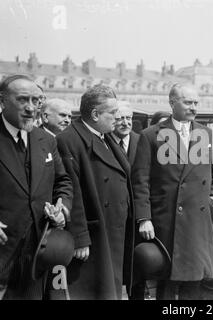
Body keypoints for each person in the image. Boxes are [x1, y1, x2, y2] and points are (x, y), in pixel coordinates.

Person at [131, 83, 213, 300]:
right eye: (188, 102)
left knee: (194, 284)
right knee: (166, 282)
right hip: (166, 220)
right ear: (172, 102)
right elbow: (140, 181)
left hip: (197, 220)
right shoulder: (150, 136)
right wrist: (144, 218)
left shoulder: (208, 135)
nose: (193, 107)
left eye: (196, 103)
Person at [56, 84, 136, 299]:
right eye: (112, 113)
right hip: (95, 231)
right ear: (94, 114)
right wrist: (80, 236)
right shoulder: (69, 140)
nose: (117, 118)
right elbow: (71, 188)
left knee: (110, 288)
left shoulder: (105, 135)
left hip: (113, 227)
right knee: (93, 291)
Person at [0, 74, 72, 299]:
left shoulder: (46, 140)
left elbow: (63, 181)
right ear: (2, 101)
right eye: (23, 100)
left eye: (36, 101)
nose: (32, 108)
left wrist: (62, 208)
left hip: (37, 251)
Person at [111, 102, 140, 167]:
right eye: (121, 118)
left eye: (128, 118)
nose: (125, 123)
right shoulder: (103, 141)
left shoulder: (141, 141)